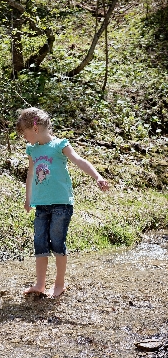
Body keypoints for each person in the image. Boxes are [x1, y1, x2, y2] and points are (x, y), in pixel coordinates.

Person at [16, 107, 109, 297]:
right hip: (41, 205)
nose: (24, 139)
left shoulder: (60, 145)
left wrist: (97, 176)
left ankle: (59, 284)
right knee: (40, 243)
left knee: (57, 242)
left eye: (24, 134)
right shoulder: (32, 150)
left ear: (34, 129)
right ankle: (40, 284)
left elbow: (79, 160)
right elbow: (30, 175)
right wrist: (28, 199)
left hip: (61, 204)